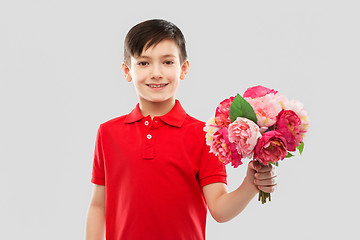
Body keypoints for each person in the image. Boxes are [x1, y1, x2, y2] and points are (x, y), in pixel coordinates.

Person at [85, 19, 277, 240]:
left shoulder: (205, 135)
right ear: (127, 70)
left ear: (183, 68)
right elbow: (98, 205)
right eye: (144, 63)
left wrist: (251, 183)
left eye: (167, 62)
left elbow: (219, 210)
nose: (156, 73)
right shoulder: (108, 133)